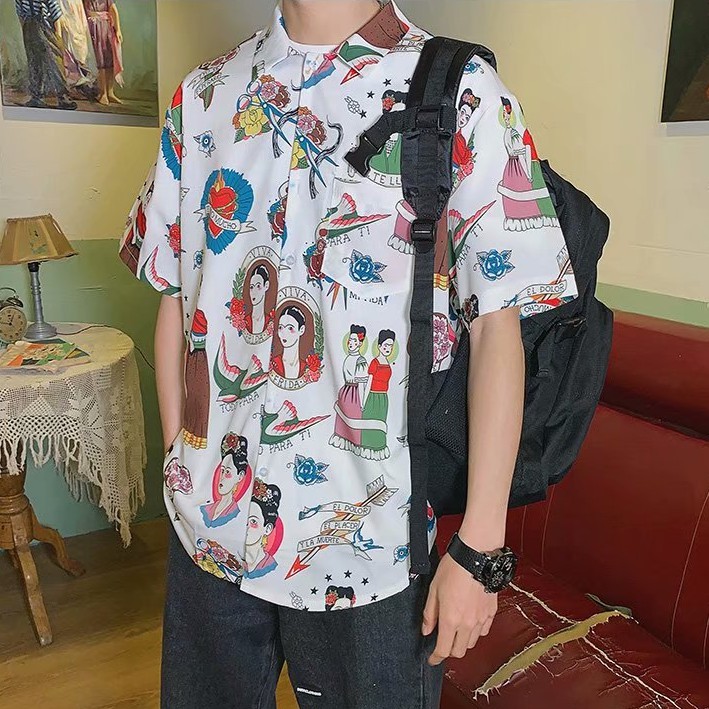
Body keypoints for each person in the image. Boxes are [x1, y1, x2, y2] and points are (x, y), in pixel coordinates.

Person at [118, 1, 579, 706]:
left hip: (371, 545)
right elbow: (177, 296)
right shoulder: (204, 96)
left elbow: (497, 326)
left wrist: (480, 546)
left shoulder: (460, 91)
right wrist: (182, 463)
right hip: (209, 528)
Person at [14, 0, 77, 109]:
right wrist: (25, 29)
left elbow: (55, 11)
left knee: (52, 61)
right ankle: (37, 96)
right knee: (34, 62)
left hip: (44, 25)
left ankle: (62, 96)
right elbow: (20, 12)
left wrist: (56, 34)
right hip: (29, 27)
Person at [82, 0, 123, 105]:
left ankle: (110, 92)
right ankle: (102, 93)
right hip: (92, 29)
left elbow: (113, 10)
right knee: (100, 61)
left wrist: (118, 30)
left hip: (106, 28)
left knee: (110, 60)